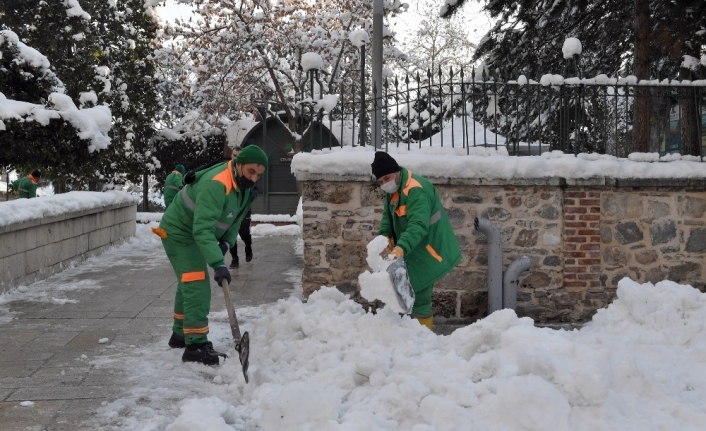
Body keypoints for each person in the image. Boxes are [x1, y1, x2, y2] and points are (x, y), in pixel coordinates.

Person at [151, 145, 268, 365]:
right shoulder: (217, 183)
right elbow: (202, 229)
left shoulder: (244, 188)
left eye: (259, 174)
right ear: (239, 164)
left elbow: (235, 222)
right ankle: (195, 345)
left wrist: (225, 243)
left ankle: (179, 335)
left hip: (194, 231)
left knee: (188, 280)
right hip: (179, 232)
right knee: (196, 281)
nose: (254, 178)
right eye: (251, 171)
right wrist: (218, 264)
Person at [371, 151, 461, 331]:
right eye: (380, 182)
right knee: (404, 291)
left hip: (430, 248)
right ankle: (410, 335)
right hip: (414, 247)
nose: (384, 184)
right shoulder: (395, 189)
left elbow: (418, 225)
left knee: (420, 295)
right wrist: (384, 238)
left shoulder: (416, 189)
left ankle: (424, 339)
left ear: (396, 172)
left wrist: (400, 248)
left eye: (386, 178)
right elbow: (387, 217)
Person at [228, 146, 255, 268]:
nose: (236, 158)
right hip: (229, 210)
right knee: (231, 235)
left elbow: (256, 188)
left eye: (239, 156)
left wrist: (251, 195)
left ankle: (248, 247)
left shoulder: (248, 171)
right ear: (231, 156)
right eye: (234, 155)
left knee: (244, 233)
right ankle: (234, 259)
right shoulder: (226, 170)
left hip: (243, 210)